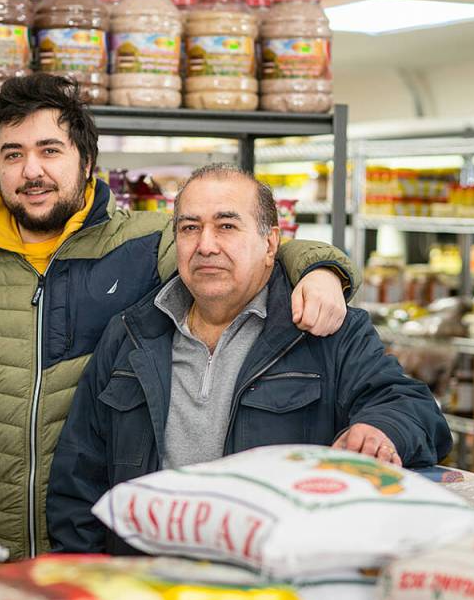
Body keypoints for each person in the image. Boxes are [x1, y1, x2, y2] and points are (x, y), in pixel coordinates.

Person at [0, 75, 360, 560]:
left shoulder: (148, 245)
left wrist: (320, 268)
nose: (31, 171)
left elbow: (243, 246)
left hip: (89, 539)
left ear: (87, 162)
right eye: (13, 154)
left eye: (50, 150)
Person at [47, 163, 451, 554]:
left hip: (273, 590)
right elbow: (79, 476)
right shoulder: (131, 334)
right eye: (190, 228)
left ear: (271, 243)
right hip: (149, 590)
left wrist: (381, 429)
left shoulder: (323, 330)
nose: (206, 245)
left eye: (227, 226)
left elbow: (412, 407)